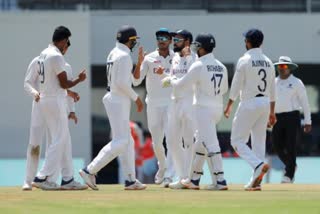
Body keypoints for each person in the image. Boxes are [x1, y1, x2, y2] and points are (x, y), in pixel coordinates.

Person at [79, 25, 146, 191]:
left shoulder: (114, 53)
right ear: (129, 40)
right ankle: (90, 170)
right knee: (122, 140)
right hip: (118, 99)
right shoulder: (124, 56)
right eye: (133, 41)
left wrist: (139, 64)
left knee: (127, 140)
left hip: (115, 97)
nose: (134, 44)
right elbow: (122, 83)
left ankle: (130, 180)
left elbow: (131, 80)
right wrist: (136, 98)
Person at [162, 33, 229, 190]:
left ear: (201, 48)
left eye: (197, 47)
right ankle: (194, 179)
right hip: (216, 108)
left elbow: (181, 85)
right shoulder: (221, 66)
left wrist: (170, 79)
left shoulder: (199, 65)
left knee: (211, 144)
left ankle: (221, 180)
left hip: (202, 108)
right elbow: (224, 88)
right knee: (200, 143)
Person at [22, 41, 84, 190]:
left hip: (54, 105)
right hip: (40, 105)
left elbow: (62, 89)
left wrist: (72, 110)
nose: (66, 50)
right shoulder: (39, 61)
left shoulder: (64, 65)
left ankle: (56, 178)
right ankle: (29, 180)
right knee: (35, 144)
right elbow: (27, 83)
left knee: (57, 141)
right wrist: (34, 93)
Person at [224, 28, 276, 191]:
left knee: (236, 141)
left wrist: (229, 104)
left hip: (249, 102)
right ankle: (256, 180)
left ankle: (258, 165)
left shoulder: (244, 59)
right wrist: (272, 111)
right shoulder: (268, 61)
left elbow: (236, 84)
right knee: (259, 143)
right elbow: (273, 88)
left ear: (247, 42)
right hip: (265, 103)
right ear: (261, 42)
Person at [132, 28, 175, 187]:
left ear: (170, 40)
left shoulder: (177, 57)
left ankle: (170, 174)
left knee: (171, 140)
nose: (161, 40)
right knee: (157, 142)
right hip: (154, 104)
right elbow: (136, 81)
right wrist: (139, 61)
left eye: (164, 37)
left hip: (171, 103)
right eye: (158, 37)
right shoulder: (149, 58)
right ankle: (163, 167)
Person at [157, 29, 197, 189]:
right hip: (174, 101)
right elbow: (175, 77)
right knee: (172, 140)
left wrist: (171, 80)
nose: (174, 42)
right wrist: (165, 77)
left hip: (189, 101)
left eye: (178, 39)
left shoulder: (194, 59)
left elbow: (188, 80)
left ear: (187, 42)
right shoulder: (175, 59)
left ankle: (189, 178)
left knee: (188, 141)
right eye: (174, 39)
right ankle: (182, 176)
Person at [272, 56, 312, 183]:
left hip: (292, 116)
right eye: (280, 66)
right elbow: (270, 101)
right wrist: (269, 115)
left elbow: (305, 103)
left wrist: (308, 121)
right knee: (276, 144)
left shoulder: (296, 82)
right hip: (277, 117)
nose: (282, 69)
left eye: (284, 66)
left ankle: (289, 175)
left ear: (289, 68)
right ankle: (291, 165)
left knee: (290, 145)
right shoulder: (273, 82)